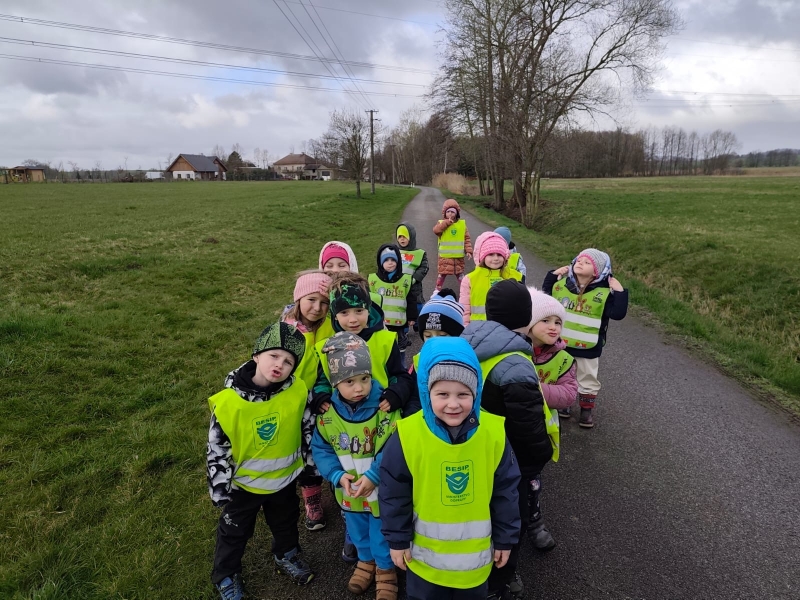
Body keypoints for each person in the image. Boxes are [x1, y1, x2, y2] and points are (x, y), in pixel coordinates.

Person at [379, 337, 521, 600]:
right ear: (426, 392)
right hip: (424, 564)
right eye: (442, 394)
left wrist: (506, 538)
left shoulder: (493, 433)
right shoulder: (408, 435)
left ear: (476, 392)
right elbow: (393, 493)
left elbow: (506, 491)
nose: (453, 404)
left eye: (463, 394)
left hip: (475, 564)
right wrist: (397, 539)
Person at [311, 272, 415, 561]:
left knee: (385, 489)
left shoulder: (384, 339)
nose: (353, 319)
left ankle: (385, 556)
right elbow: (322, 380)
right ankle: (356, 535)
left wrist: (396, 394)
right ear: (335, 315)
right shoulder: (327, 346)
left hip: (381, 420)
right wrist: (321, 397)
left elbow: (401, 375)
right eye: (344, 313)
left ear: (369, 309)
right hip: (344, 422)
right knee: (351, 480)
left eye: (359, 311)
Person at [207, 322, 315, 600]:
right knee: (234, 532)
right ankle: (226, 575)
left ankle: (287, 554)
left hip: (284, 480)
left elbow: (308, 427)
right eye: (274, 355)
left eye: (289, 361)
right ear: (256, 355)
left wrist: (310, 467)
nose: (280, 364)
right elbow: (218, 445)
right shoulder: (229, 401)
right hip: (243, 486)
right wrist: (220, 486)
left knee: (286, 521)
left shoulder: (298, 391)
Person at [461, 279, 555, 599]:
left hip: (472, 447)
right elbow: (527, 423)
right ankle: (500, 580)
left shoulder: (470, 340)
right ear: (527, 317)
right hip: (509, 458)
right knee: (509, 517)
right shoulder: (515, 362)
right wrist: (540, 455)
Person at [312, 332, 401, 600]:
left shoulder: (385, 408)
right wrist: (337, 475)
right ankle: (365, 561)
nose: (359, 387)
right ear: (335, 382)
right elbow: (322, 448)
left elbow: (395, 445)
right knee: (357, 528)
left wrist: (375, 474)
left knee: (382, 530)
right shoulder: (327, 415)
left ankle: (385, 568)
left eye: (364, 378)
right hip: (349, 490)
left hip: (381, 489)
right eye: (349, 381)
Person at [542, 248, 628, 428]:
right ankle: (564, 403)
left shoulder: (604, 293)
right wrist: (552, 276)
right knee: (561, 374)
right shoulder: (562, 286)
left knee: (587, 378)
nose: (581, 263)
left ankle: (586, 410)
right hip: (560, 345)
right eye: (579, 260)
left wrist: (619, 292)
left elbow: (618, 314)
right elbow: (546, 296)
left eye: (587, 262)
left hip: (589, 347)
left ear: (598, 271)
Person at [523, 287, 580, 551]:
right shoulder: (515, 353)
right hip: (509, 428)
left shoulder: (564, 359)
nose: (553, 326)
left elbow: (568, 395)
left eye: (558, 322)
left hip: (540, 432)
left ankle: (534, 519)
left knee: (532, 478)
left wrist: (535, 389)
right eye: (545, 320)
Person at [281, 270, 334, 531]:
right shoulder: (286, 330)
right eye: (311, 299)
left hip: (324, 396)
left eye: (324, 302)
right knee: (306, 453)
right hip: (294, 401)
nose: (317, 307)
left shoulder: (331, 325)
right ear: (299, 298)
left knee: (330, 445)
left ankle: (338, 487)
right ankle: (312, 500)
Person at [368, 244, 419, 365]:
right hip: (380, 324)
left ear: (398, 262)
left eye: (393, 260)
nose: (390, 263)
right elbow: (369, 301)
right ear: (380, 262)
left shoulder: (405, 280)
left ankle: (402, 368)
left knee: (400, 349)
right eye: (386, 260)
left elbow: (411, 299)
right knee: (383, 349)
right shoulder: (373, 280)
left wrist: (412, 317)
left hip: (399, 324)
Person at [459, 231, 522, 325]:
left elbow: (522, 305)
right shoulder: (470, 279)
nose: (496, 258)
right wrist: (465, 327)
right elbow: (465, 308)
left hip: (507, 327)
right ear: (482, 256)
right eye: (491, 254)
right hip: (478, 327)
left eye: (499, 254)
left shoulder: (515, 276)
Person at [409, 288, 465, 374]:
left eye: (442, 335)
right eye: (428, 336)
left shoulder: (464, 361)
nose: (434, 341)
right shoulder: (420, 358)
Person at [433, 199, 473, 292]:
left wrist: (468, 250)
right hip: (445, 257)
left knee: (460, 275)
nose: (450, 214)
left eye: (452, 212)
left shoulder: (462, 225)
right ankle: (437, 291)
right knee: (441, 275)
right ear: (444, 213)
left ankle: (466, 292)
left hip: (458, 258)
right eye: (448, 212)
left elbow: (466, 238)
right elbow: (436, 230)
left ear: (457, 213)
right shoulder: (441, 223)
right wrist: (446, 223)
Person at [396, 222, 429, 320]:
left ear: (411, 237)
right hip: (399, 286)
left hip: (414, 286)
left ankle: (418, 322)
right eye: (399, 236)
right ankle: (404, 325)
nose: (402, 239)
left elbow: (424, 267)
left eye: (404, 236)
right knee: (401, 307)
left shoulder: (419, 253)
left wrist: (415, 278)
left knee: (417, 307)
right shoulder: (395, 252)